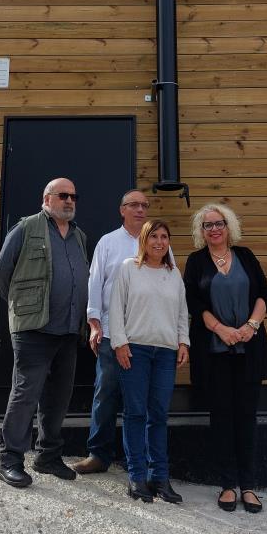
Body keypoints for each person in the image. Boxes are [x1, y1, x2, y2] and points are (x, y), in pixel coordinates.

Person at [0, 178, 88, 488]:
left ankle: (48, 457)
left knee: (58, 399)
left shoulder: (79, 237)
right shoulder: (26, 228)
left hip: (68, 331)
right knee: (25, 395)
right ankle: (10, 459)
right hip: (34, 330)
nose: (70, 201)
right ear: (47, 198)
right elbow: (2, 273)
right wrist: (24, 308)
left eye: (73, 196)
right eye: (63, 195)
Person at [74, 189, 174, 475]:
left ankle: (144, 464)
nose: (140, 210)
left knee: (145, 401)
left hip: (150, 334)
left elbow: (172, 283)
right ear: (122, 210)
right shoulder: (108, 243)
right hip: (110, 331)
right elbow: (95, 284)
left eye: (144, 205)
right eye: (134, 205)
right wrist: (94, 323)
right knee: (106, 392)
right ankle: (99, 454)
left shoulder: (158, 243)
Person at [182, 203, 267, 514]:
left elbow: (264, 294)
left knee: (246, 418)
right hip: (215, 352)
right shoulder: (195, 262)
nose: (214, 229)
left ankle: (248, 485)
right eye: (208, 225)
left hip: (249, 350)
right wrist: (221, 329)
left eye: (219, 223)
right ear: (201, 231)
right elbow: (194, 303)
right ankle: (227, 485)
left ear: (228, 226)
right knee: (221, 419)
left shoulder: (245, 256)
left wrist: (250, 326)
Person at [109, 219, 189, 504]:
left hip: (166, 353)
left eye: (164, 236)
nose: (159, 241)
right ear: (143, 240)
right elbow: (116, 307)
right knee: (135, 413)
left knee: (158, 415)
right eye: (153, 236)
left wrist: (183, 342)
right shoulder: (129, 268)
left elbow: (182, 312)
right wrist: (119, 342)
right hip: (136, 351)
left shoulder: (173, 273)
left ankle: (160, 477)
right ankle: (137, 477)